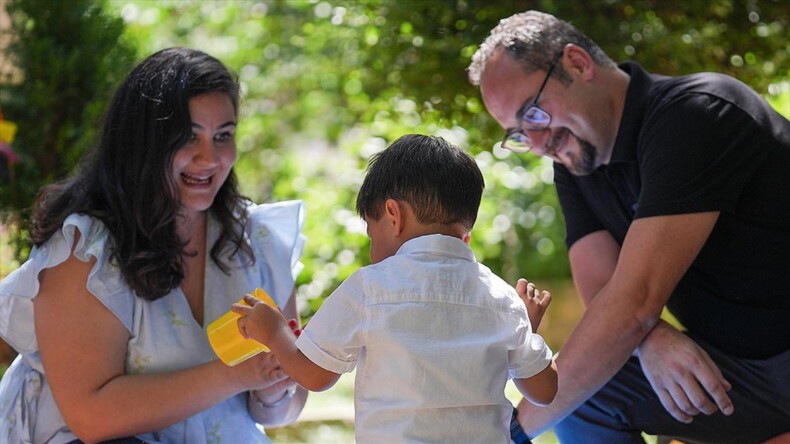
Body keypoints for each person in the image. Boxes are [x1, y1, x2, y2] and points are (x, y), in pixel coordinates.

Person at [467, 9, 790, 444]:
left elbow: (634, 302)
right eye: (520, 134)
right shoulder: (577, 166)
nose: (539, 145)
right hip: (738, 375)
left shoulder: (697, 111)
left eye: (535, 114)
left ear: (578, 64)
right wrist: (650, 340)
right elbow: (604, 289)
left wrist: (509, 434)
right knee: (579, 394)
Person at [0, 47, 308, 443]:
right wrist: (238, 373)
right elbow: (91, 418)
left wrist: (273, 385)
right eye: (187, 137)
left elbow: (286, 407)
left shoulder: (260, 241)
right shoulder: (85, 250)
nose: (209, 157)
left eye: (223, 136)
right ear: (141, 143)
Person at [232, 134, 558, 444]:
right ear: (465, 237)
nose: (372, 244)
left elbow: (315, 376)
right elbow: (544, 391)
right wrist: (525, 328)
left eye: (371, 232)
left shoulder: (369, 289)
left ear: (393, 215)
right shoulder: (502, 300)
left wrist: (275, 332)